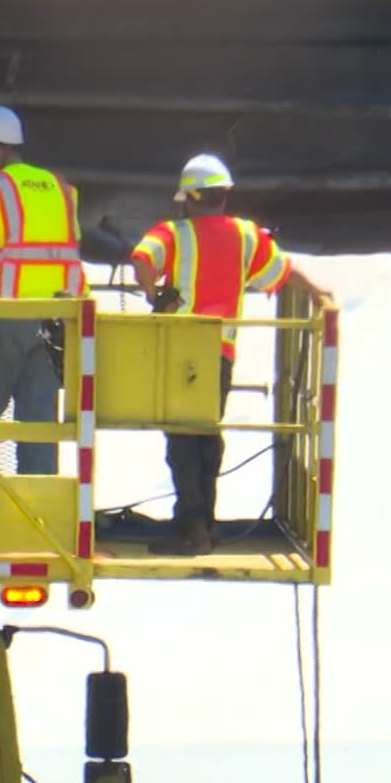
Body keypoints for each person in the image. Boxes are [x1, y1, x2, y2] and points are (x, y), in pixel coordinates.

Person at [129, 154, 292, 556]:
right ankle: (206, 524)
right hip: (221, 352)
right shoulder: (248, 235)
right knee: (205, 433)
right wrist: (320, 292)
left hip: (181, 348)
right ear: (223, 196)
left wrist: (157, 296)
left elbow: (141, 259)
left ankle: (192, 528)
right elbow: (282, 273)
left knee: (182, 437)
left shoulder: (173, 233)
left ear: (189, 198)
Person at [0, 105, 86, 476]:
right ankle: (37, 516)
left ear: (0, 149)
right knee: (39, 422)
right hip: (54, 321)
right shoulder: (61, 188)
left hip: (1, 317)